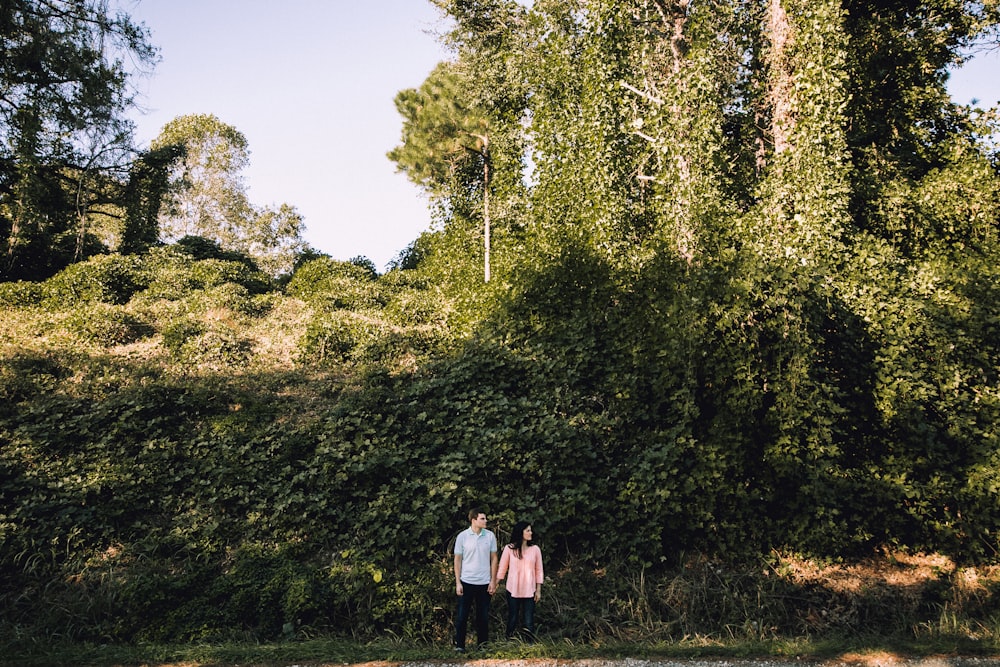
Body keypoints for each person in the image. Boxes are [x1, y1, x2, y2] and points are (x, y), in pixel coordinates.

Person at [453, 508, 498, 652]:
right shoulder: (463, 537)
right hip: (466, 581)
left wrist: (493, 581)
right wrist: (458, 582)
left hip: (484, 582)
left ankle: (482, 646)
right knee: (462, 616)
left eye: (485, 518)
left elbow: (494, 558)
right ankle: (460, 646)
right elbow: (457, 560)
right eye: (482, 519)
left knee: (483, 617)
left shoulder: (490, 536)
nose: (486, 521)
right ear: (474, 520)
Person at [497, 520, 544, 641]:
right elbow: (502, 568)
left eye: (530, 530)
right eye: (528, 530)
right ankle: (508, 642)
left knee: (529, 619)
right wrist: (494, 584)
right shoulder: (509, 549)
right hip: (513, 589)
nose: (531, 532)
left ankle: (529, 644)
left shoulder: (535, 549)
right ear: (520, 532)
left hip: (530, 590)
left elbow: (539, 570)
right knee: (513, 617)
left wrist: (538, 590)